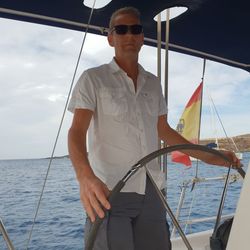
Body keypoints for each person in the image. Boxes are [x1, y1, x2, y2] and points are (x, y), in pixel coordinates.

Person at [68, 6, 240, 250]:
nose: (128, 35)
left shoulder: (153, 83)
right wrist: (85, 177)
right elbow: (76, 132)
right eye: (121, 29)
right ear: (110, 37)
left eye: (135, 29)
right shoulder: (93, 78)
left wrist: (211, 157)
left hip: (152, 190)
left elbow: (165, 131)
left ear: (141, 38)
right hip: (110, 190)